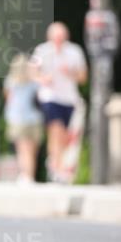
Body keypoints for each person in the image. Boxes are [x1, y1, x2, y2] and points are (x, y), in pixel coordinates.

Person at [30, 22, 88, 183]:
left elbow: (83, 77)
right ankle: (57, 168)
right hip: (49, 97)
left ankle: (55, 164)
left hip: (69, 99)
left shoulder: (74, 51)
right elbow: (32, 71)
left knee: (64, 136)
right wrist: (42, 79)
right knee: (56, 131)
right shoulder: (42, 51)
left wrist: (70, 73)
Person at [3, 53, 44, 183]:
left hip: (17, 118)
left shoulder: (11, 81)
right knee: (32, 151)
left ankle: (25, 175)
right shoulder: (34, 81)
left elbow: (8, 99)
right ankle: (30, 175)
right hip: (35, 118)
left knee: (22, 150)